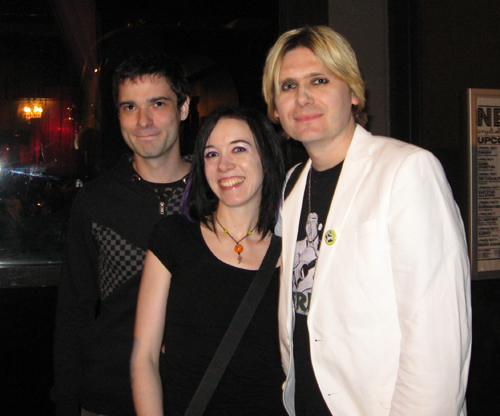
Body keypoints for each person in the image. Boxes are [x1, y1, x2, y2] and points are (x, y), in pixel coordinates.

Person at [262, 26, 472, 416]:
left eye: (319, 80)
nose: (302, 97)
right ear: (275, 108)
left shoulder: (406, 170)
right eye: (288, 86)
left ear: (354, 93)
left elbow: (437, 340)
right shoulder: (294, 184)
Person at [52, 51, 191, 416]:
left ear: (184, 108)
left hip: (199, 395)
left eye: (158, 103)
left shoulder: (216, 194)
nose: (143, 120)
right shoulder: (96, 201)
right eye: (129, 107)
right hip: (110, 398)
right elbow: (73, 312)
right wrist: (67, 400)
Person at [131, 106, 287, 416]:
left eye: (239, 149)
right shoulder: (174, 238)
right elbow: (144, 357)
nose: (224, 165)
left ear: (266, 157)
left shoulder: (295, 250)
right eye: (211, 154)